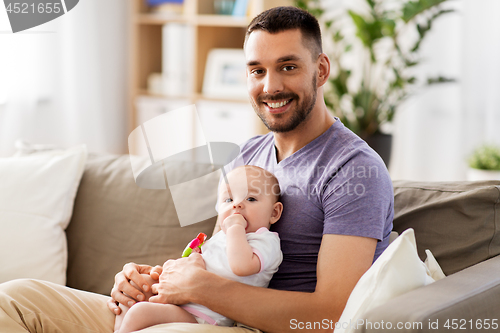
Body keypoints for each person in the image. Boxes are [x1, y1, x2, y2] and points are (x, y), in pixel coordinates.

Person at [0, 6, 393, 333]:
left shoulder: (354, 170)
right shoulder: (247, 156)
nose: (270, 86)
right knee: (15, 299)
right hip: (199, 316)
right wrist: (150, 283)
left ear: (320, 70)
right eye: (257, 70)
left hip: (256, 327)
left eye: (287, 67)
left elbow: (332, 314)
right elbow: (216, 259)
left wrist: (202, 289)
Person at [115, 165, 283, 332]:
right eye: (229, 200)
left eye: (251, 199)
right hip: (182, 299)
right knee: (135, 288)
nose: (236, 205)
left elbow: (241, 266)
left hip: (205, 316)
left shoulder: (265, 240)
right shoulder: (221, 237)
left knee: (141, 312)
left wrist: (234, 229)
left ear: (274, 213)